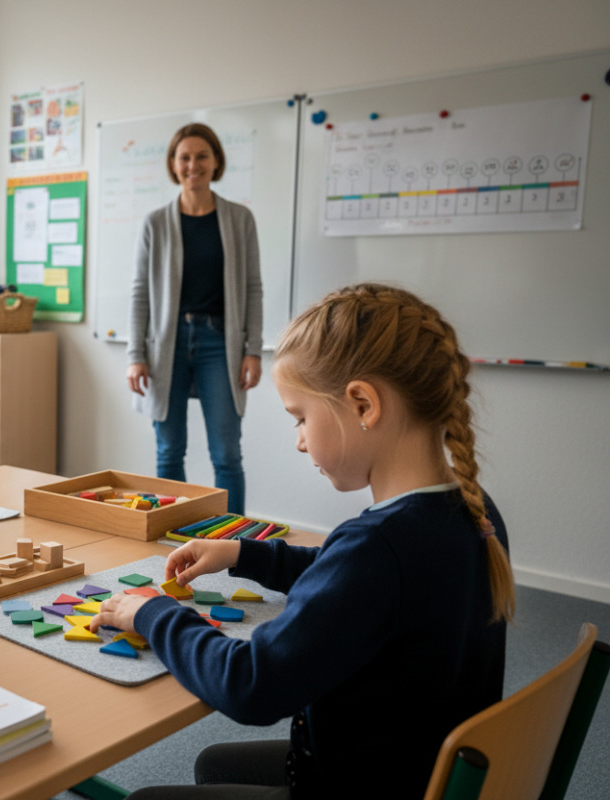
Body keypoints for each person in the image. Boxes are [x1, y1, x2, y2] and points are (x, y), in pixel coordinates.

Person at [92, 283, 514, 800]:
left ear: (362, 403)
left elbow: (249, 686)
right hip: (413, 765)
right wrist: (246, 553)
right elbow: (356, 581)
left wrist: (151, 615)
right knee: (214, 761)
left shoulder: (377, 548)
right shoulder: (473, 510)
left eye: (300, 418)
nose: (298, 440)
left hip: (360, 783)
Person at [127, 123, 263, 515]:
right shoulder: (155, 222)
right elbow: (140, 292)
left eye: (202, 156)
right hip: (166, 344)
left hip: (219, 342)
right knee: (169, 451)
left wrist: (253, 350)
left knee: (226, 453)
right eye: (184, 157)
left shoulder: (240, 219)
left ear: (216, 160)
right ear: (173, 164)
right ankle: (175, 540)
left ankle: (236, 542)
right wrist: (135, 354)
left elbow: (253, 287)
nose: (193, 165)